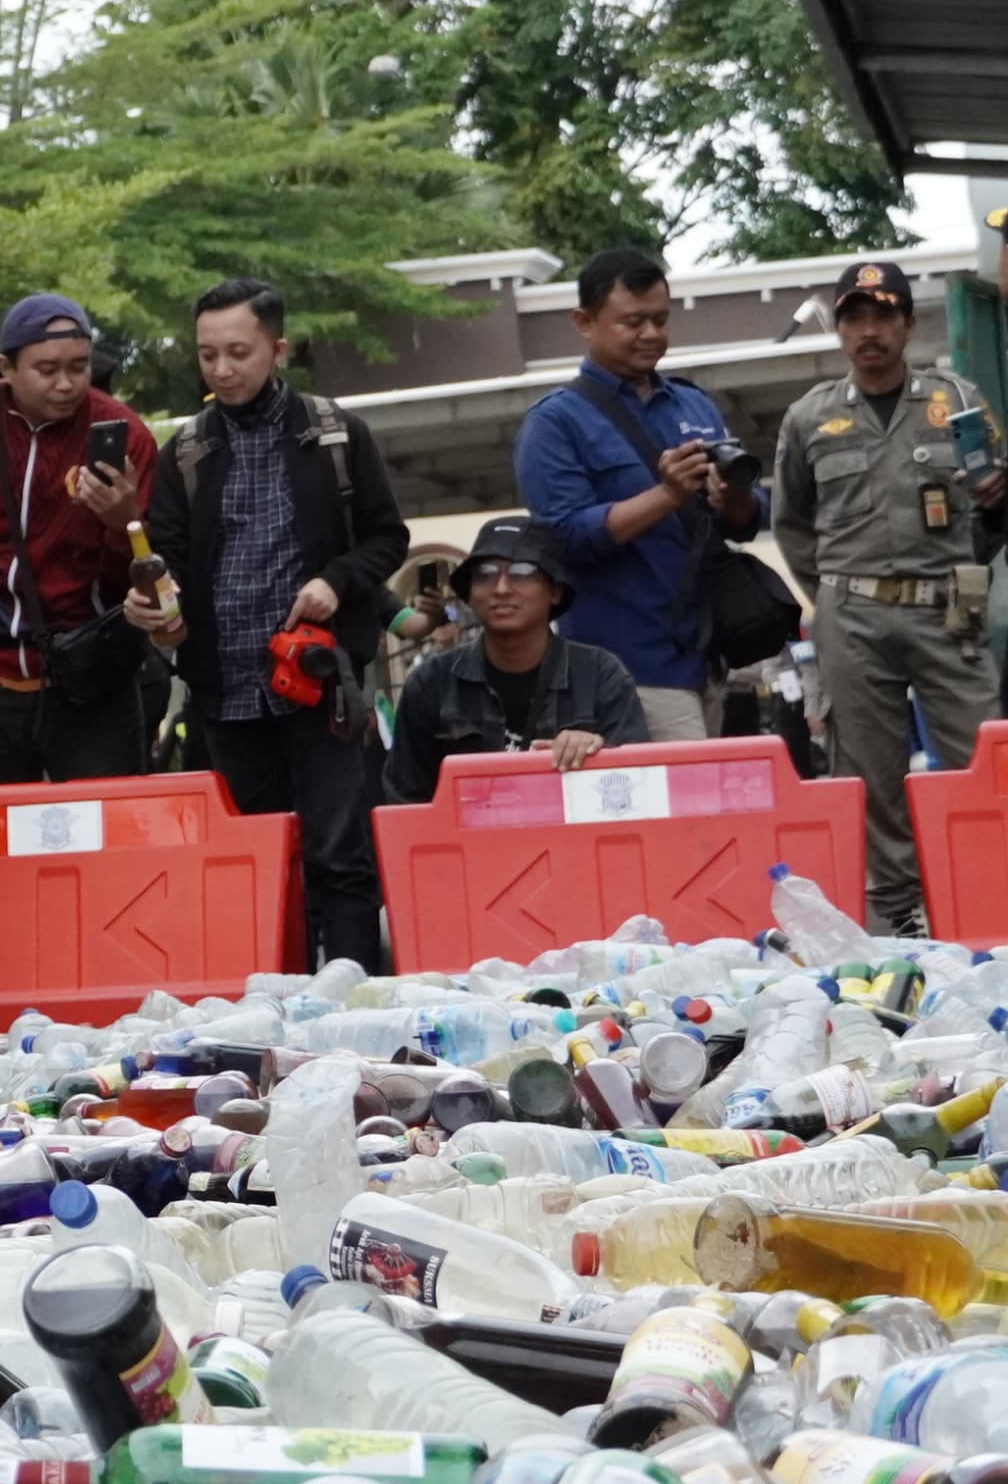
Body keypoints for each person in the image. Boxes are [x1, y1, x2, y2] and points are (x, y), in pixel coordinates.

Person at [134, 279, 412, 968]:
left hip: (318, 685)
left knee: (341, 854)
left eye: (238, 352)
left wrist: (334, 582)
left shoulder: (335, 433)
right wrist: (150, 606)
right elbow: (159, 558)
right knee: (248, 862)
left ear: (277, 348)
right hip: (223, 693)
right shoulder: (187, 450)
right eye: (207, 355)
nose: (222, 370)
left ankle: (350, 1001)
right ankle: (267, 1001)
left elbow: (387, 537)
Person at [772, 259, 1005, 933]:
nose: (868, 331)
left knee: (980, 755)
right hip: (853, 611)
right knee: (868, 771)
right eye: (854, 318)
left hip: (946, 606)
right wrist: (837, 594)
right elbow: (791, 522)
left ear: (907, 322)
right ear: (840, 329)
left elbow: (989, 513)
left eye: (882, 315)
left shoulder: (956, 401)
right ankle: (893, 916)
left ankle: (985, 896)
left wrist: (991, 513)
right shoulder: (809, 417)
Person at [512, 248, 765, 742]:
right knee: (678, 813)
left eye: (660, 320)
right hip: (627, 669)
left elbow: (749, 519)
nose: (651, 334)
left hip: (711, 658)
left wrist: (733, 496)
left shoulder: (693, 403)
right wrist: (667, 495)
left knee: (709, 810)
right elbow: (563, 539)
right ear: (584, 322)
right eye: (633, 322)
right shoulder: (554, 422)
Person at [0, 292, 159, 785]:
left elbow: (140, 578)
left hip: (90, 674)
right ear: (5, 367)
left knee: (106, 832)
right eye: (47, 369)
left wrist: (125, 522)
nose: (66, 384)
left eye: (80, 366)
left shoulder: (127, 436)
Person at [384, 513, 653, 800]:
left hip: (572, 841)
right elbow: (404, 801)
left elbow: (639, 792)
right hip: (468, 843)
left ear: (555, 591)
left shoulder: (601, 675)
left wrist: (599, 756)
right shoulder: (430, 683)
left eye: (523, 572)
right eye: (485, 574)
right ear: (470, 593)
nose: (501, 589)